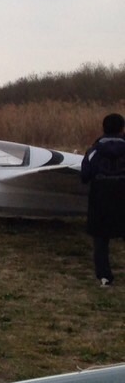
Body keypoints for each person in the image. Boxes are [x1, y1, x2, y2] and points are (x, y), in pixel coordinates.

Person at [82, 113, 125, 286]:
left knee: (100, 239)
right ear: (122, 129)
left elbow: (85, 176)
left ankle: (105, 277)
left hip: (100, 198)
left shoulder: (94, 150)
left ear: (103, 128)